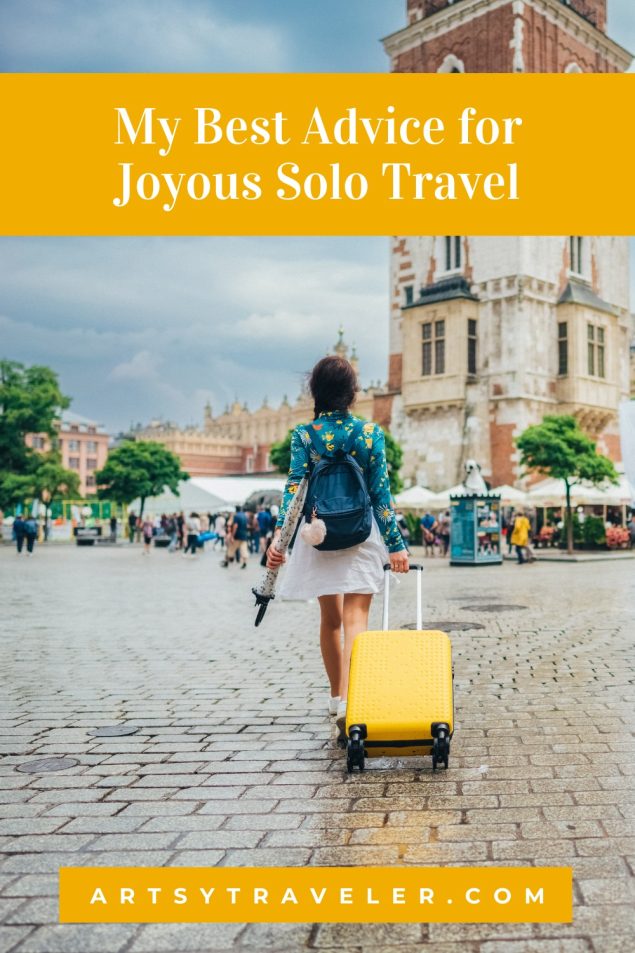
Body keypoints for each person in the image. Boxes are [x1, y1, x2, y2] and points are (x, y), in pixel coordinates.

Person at [267, 354, 409, 735]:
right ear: (352, 393)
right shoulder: (369, 433)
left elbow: (294, 491)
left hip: (318, 533)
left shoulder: (304, 434)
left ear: (316, 391)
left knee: (329, 620)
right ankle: (354, 701)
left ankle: (336, 698)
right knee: (355, 617)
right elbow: (381, 494)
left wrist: (279, 540)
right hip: (361, 533)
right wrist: (395, 545)